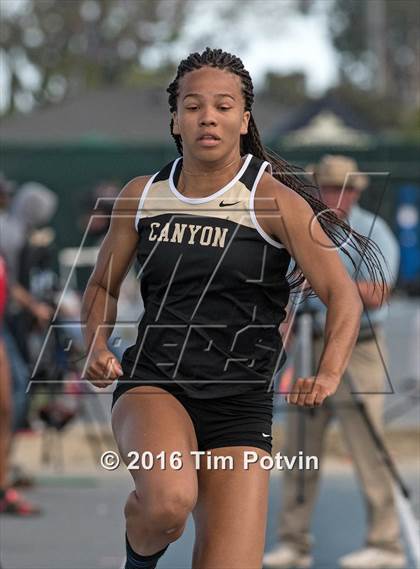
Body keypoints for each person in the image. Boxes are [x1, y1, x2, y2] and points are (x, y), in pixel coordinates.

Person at [81, 49, 385, 569]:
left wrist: (329, 373)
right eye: (193, 105)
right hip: (157, 384)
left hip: (241, 404)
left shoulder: (276, 201)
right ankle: (140, 547)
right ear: (174, 118)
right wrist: (95, 344)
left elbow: (342, 294)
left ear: (244, 119)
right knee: (167, 503)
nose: (208, 116)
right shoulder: (143, 195)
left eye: (224, 106)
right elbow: (103, 287)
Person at [263, 155, 404, 569]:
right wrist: (278, 353)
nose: (334, 196)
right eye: (326, 187)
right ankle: (294, 543)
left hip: (359, 348)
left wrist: (329, 284)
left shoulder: (375, 230)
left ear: (357, 192)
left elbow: (378, 294)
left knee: (369, 448)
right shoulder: (301, 228)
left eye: (343, 188)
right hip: (310, 343)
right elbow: (286, 300)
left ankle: (386, 544)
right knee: (302, 448)